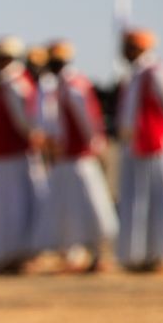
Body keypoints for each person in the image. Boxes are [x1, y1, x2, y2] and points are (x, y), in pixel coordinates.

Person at [0, 38, 50, 272]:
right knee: (9, 206)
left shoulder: (13, 82)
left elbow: (24, 119)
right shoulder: (9, 82)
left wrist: (33, 136)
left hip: (17, 154)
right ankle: (10, 253)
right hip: (8, 153)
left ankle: (19, 253)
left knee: (16, 206)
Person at [44, 39, 115, 271]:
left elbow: (87, 118)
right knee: (71, 208)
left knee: (91, 205)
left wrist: (93, 142)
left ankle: (100, 253)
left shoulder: (73, 85)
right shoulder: (64, 85)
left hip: (80, 156)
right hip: (68, 156)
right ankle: (75, 253)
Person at [116, 28, 163, 271]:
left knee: (160, 199)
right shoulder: (135, 74)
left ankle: (161, 254)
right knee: (138, 201)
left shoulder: (156, 72)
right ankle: (141, 255)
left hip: (155, 146)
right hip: (135, 147)